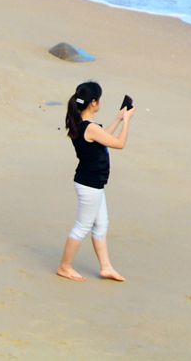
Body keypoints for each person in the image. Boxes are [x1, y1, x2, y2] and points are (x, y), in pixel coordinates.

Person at [57, 80, 133, 282]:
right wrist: (127, 121)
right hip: (89, 185)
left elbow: (102, 138)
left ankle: (106, 267)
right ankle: (65, 267)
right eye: (99, 100)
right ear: (93, 102)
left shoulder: (84, 125)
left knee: (101, 224)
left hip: (93, 183)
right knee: (82, 226)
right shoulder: (89, 128)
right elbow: (119, 144)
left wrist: (117, 119)